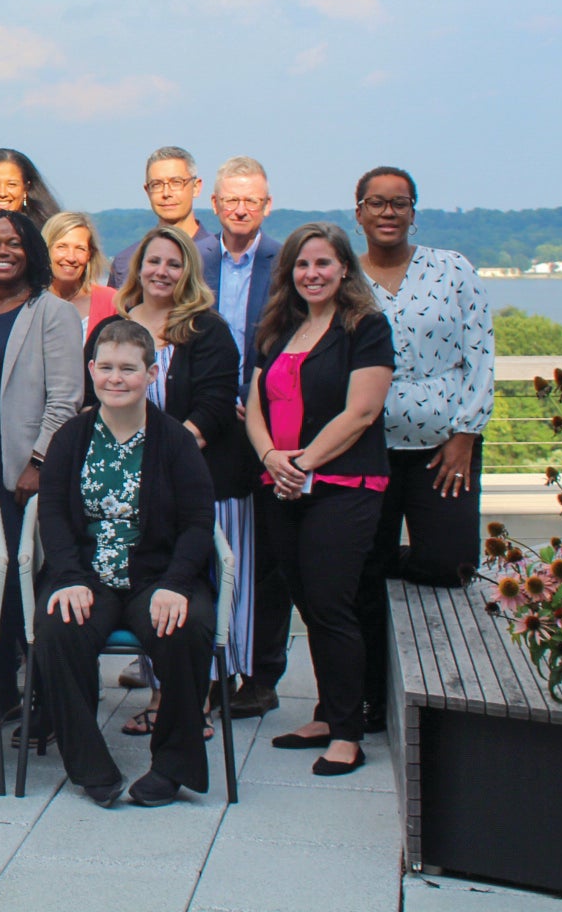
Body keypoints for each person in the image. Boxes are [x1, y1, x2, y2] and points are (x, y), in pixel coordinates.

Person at [31, 319, 217, 807]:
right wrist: (67, 577)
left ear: (151, 374)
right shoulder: (71, 438)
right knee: (58, 628)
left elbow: (199, 522)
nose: (116, 378)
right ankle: (90, 764)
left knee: (186, 628)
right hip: (87, 577)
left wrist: (177, 583)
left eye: (129, 369)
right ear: (91, 370)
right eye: (106, 367)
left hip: (157, 577)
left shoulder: (174, 440)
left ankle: (174, 765)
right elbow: (51, 514)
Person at [245, 222, 393, 776]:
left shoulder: (366, 327)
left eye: (323, 264)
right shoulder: (279, 328)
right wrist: (270, 459)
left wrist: (302, 463)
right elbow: (254, 402)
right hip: (281, 483)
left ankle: (349, 733)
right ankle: (328, 715)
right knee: (308, 603)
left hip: (342, 485)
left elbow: (362, 412)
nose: (312, 274)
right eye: (303, 265)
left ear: (344, 270)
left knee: (332, 605)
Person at [89, 226, 247, 735]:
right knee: (148, 581)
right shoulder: (116, 325)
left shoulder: (207, 329)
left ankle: (189, 702)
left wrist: (166, 456)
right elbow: (98, 400)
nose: (161, 271)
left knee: (187, 586)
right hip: (129, 489)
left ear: (188, 274)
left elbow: (216, 404)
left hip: (196, 478)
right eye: (153, 262)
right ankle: (162, 696)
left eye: (173, 264)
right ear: (138, 269)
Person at [354, 166, 495, 730]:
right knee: (362, 574)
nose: (389, 212)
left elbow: (481, 354)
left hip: (442, 450)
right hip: (366, 448)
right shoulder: (345, 279)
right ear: (358, 211)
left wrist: (465, 435)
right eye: (377, 203)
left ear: (414, 212)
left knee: (451, 563)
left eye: (400, 203)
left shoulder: (453, 269)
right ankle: (367, 699)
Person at [0, 209, 83, 727]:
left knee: (29, 586)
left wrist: (39, 464)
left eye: (13, 242)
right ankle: (2, 694)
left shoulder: (52, 312)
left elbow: (67, 398)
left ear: (32, 251)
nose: (2, 251)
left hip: (22, 479)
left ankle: (47, 702)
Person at [194, 158, 283, 717]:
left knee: (267, 554)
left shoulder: (284, 260)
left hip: (269, 420)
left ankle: (262, 674)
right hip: (209, 421)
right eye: (231, 201)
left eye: (251, 200)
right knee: (216, 542)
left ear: (267, 205)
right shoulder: (196, 260)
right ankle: (212, 669)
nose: (241, 208)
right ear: (216, 205)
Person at [109, 147, 209, 287]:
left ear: (196, 187)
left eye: (176, 182)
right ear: (147, 191)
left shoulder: (219, 256)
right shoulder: (126, 262)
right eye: (157, 185)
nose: (166, 193)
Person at [43, 212, 118, 340]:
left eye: (80, 249)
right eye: (62, 247)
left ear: (90, 254)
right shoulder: (28, 301)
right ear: (45, 249)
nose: (71, 257)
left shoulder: (111, 302)